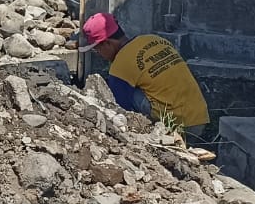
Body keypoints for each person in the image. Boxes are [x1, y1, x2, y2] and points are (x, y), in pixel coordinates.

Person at [77, 12, 210, 133]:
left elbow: (120, 110)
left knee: (118, 93)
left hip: (177, 125)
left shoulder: (121, 65)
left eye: (97, 50)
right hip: (200, 116)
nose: (99, 55)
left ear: (107, 43)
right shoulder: (153, 39)